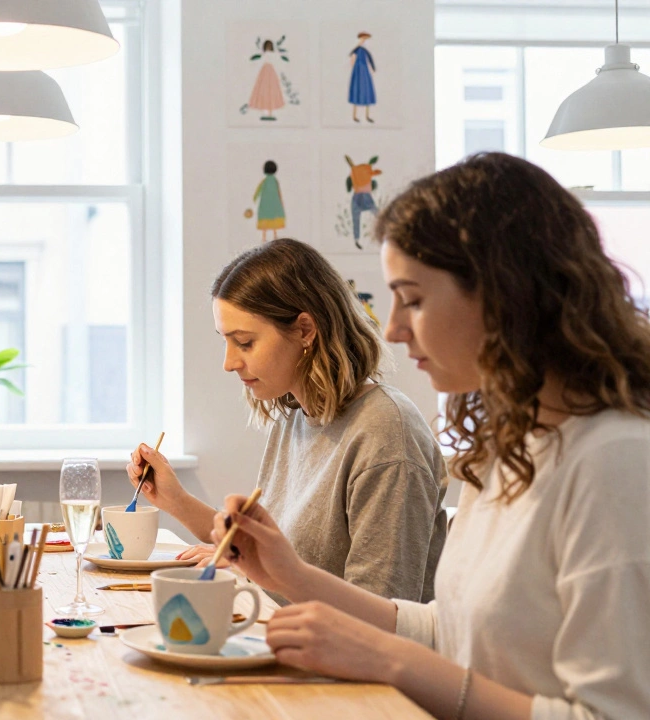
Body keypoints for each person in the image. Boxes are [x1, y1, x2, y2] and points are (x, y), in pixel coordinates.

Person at [212, 152, 650, 718]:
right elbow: (454, 628)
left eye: (413, 299)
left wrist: (390, 661)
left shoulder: (614, 461)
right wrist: (290, 575)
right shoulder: (516, 442)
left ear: (504, 294)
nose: (394, 328)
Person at [129, 238, 447, 602]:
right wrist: (175, 500)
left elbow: (381, 610)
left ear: (305, 330)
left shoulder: (386, 435)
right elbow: (274, 552)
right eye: (225, 341)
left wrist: (253, 576)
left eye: (245, 342)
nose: (229, 363)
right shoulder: (294, 418)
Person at [253, 160, 286, 242]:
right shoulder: (275, 181)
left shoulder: (265, 181)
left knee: (265, 218)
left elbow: (259, 190)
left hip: (266, 203)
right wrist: (281, 201)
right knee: (274, 218)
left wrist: (255, 198)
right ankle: (274, 236)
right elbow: (279, 192)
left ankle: (264, 238)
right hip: (274, 202)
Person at [349, 32, 377, 123]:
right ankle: (354, 116)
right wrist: (355, 69)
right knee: (357, 90)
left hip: (365, 72)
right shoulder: (357, 49)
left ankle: (367, 116)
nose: (364, 41)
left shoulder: (366, 50)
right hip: (358, 72)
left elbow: (370, 60)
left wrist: (372, 69)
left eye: (365, 39)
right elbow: (352, 59)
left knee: (367, 91)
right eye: (363, 39)